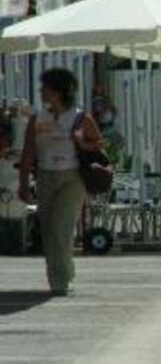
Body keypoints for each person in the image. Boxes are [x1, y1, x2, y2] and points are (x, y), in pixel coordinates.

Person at [18, 68, 101, 296]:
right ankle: (61, 272)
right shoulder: (38, 119)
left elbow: (99, 144)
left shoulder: (80, 117)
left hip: (72, 177)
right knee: (47, 229)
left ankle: (60, 281)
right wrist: (23, 183)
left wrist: (82, 143)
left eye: (45, 87)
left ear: (58, 91)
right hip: (45, 175)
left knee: (61, 227)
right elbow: (28, 152)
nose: (41, 91)